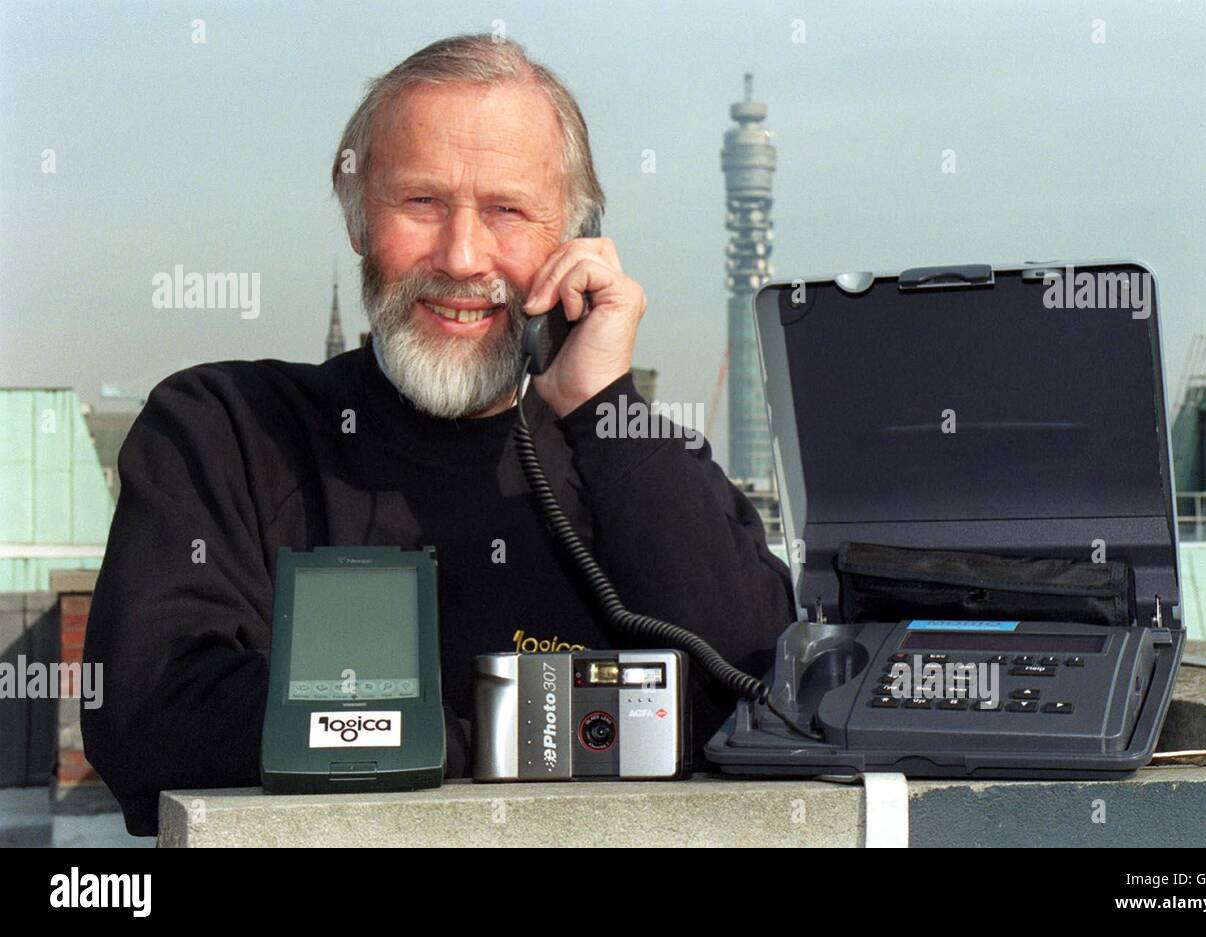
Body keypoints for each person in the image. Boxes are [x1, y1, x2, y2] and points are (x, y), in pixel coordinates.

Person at [82, 33, 795, 837]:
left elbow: (768, 689)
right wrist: (521, 730)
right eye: (421, 202)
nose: (461, 256)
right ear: (356, 217)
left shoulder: (631, 461)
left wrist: (600, 403)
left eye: (507, 210)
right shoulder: (227, 430)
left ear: (576, 236)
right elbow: (149, 709)